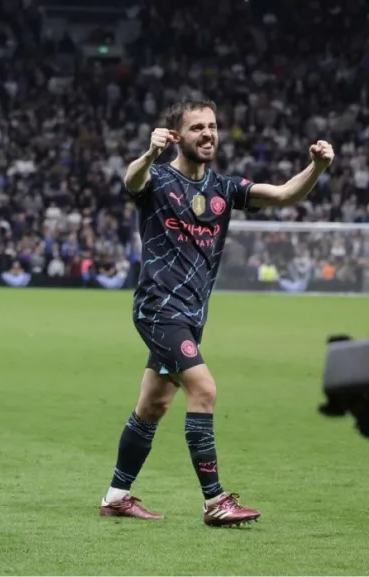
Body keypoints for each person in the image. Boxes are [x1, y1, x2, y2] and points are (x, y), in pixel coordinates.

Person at [100, 98, 334, 526]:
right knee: (203, 390)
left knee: (152, 406)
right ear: (177, 136)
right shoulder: (158, 181)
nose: (208, 134)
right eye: (197, 128)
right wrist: (149, 155)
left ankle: (116, 494)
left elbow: (283, 194)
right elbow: (131, 181)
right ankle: (215, 502)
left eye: (212, 126)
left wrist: (316, 168)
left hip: (191, 315)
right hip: (159, 309)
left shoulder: (224, 188)